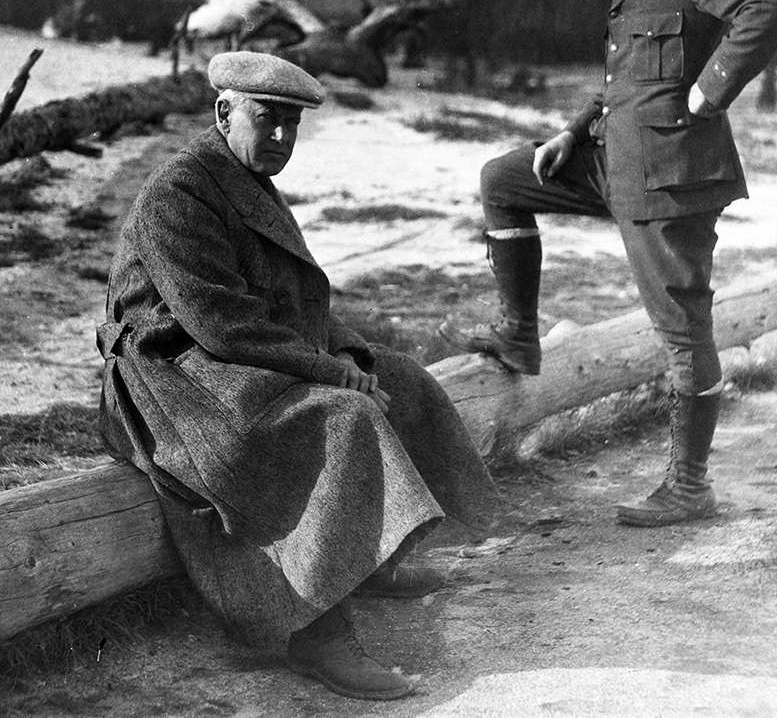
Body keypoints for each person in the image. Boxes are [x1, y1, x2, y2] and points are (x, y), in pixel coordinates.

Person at [97, 50, 499, 702]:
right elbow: (222, 323)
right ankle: (316, 631)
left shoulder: (247, 182)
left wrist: (353, 356)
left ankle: (372, 557)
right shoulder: (177, 195)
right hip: (173, 375)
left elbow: (298, 299)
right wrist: (327, 371)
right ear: (224, 112)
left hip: (230, 356)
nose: (283, 137)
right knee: (337, 420)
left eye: (292, 123)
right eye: (269, 119)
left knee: (405, 380)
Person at [441, 0, 777, 527]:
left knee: (682, 330)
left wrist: (709, 92)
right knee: (503, 179)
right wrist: (571, 130)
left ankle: (689, 486)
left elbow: (768, 11)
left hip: (672, 178)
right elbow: (624, 77)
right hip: (612, 161)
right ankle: (518, 334)